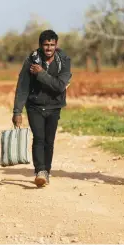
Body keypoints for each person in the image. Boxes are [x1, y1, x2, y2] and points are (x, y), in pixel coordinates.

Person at [12, 30, 72, 187]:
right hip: (35, 106)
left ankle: (47, 171)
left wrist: (41, 74)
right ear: (40, 45)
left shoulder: (64, 60)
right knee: (38, 138)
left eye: (52, 45)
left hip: (54, 106)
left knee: (49, 141)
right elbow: (22, 87)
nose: (49, 48)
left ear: (56, 45)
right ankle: (40, 171)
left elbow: (59, 86)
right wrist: (17, 111)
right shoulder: (31, 60)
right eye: (46, 45)